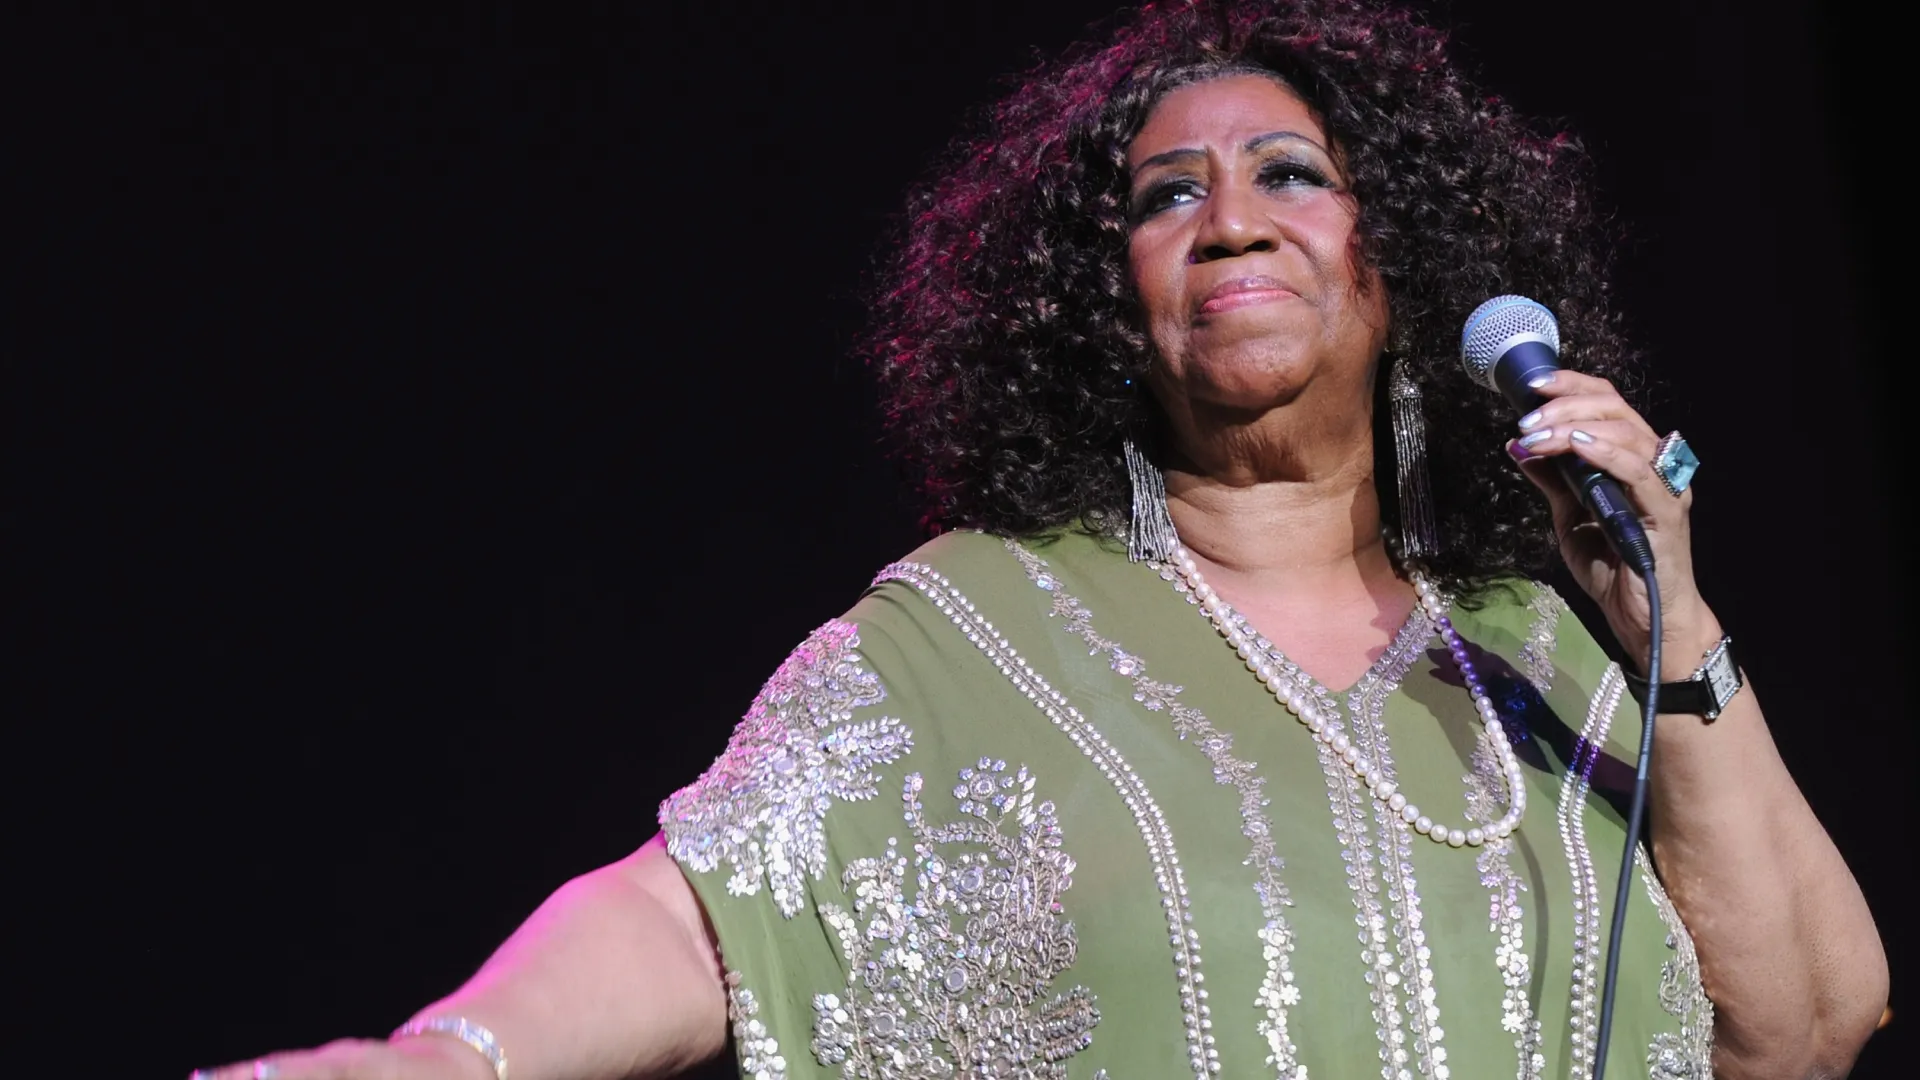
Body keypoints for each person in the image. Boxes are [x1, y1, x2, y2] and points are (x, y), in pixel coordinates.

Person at [189, 1, 1887, 1078]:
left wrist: (1666, 630)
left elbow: (1811, 1026)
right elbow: (704, 908)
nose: (1228, 215)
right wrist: (443, 1059)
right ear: (1103, 313)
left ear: (1402, 260)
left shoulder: (1548, 644)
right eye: (1165, 198)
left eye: (1292, 173)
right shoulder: (975, 635)